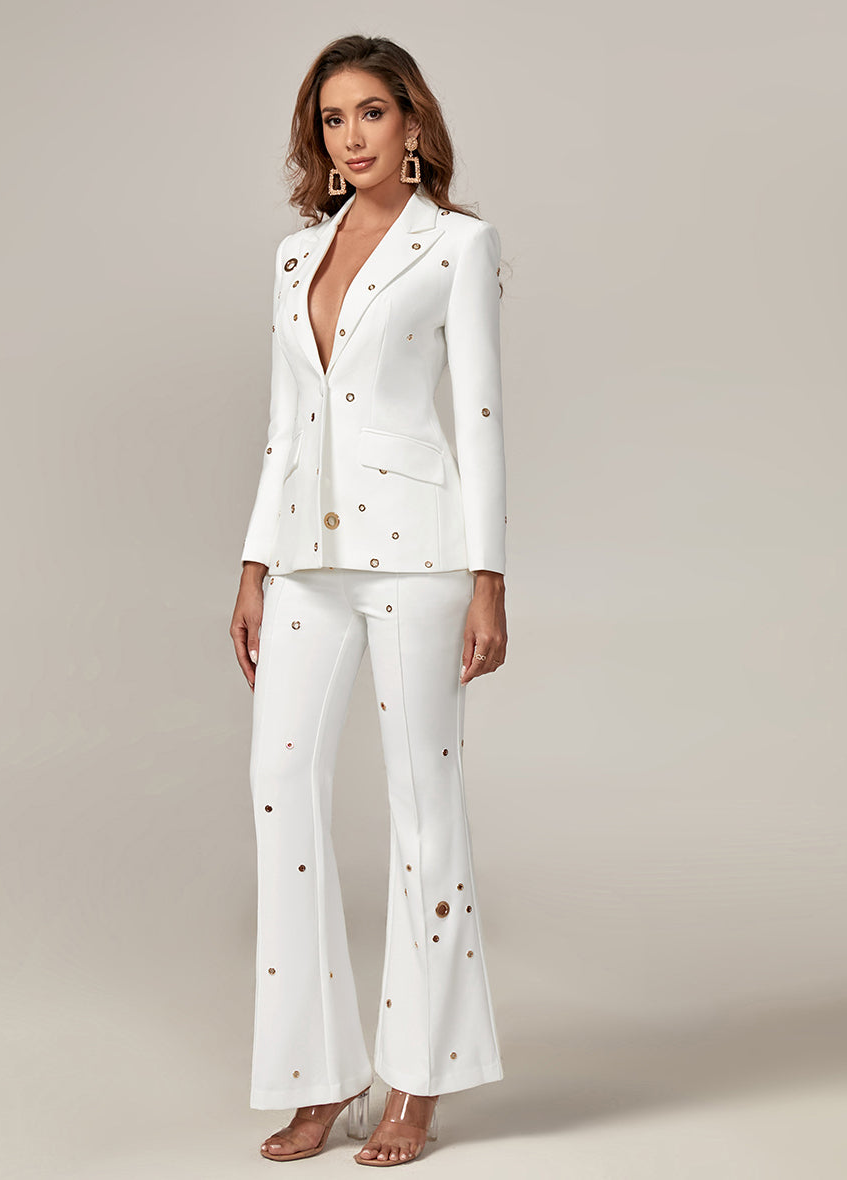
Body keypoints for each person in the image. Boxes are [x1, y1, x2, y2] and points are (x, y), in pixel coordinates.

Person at [228, 33, 509, 1166]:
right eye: (332, 119)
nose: (351, 136)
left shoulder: (458, 245)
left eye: (371, 113)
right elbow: (285, 423)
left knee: (421, 806)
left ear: (412, 122)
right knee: (279, 785)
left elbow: (479, 415)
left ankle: (418, 1080)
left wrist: (489, 576)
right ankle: (318, 1075)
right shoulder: (298, 254)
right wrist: (253, 564)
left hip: (420, 554)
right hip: (305, 553)